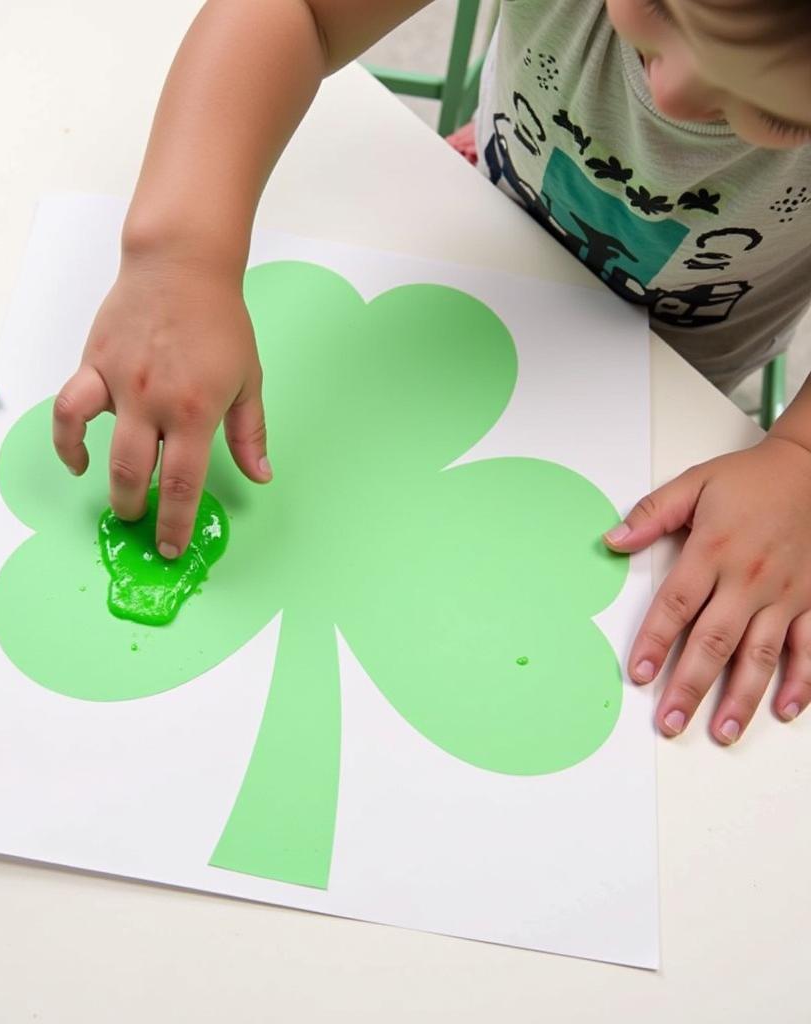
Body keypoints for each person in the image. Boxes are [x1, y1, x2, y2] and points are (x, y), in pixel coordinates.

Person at [52, 0, 811, 745]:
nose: (672, 92)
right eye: (658, 7)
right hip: (485, 220)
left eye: (777, 117)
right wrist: (179, 255)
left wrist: (800, 459)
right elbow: (300, 13)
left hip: (677, 376)